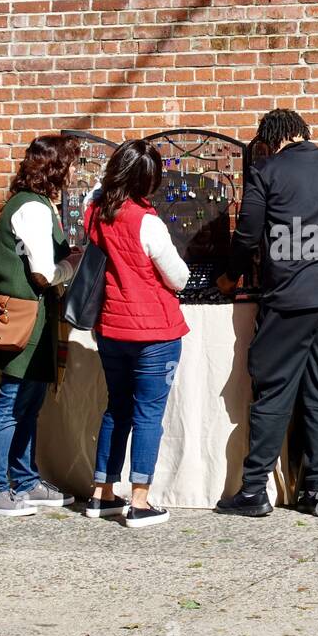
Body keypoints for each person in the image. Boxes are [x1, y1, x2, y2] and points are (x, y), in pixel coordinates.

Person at [215, 108, 318, 517]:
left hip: (289, 297)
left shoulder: (266, 172)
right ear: (304, 133)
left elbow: (248, 234)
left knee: (275, 388)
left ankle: (254, 491)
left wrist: (230, 275)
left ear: (270, 141)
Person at [80, 140, 190, 527]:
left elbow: (97, 195)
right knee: (148, 413)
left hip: (110, 327)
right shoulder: (148, 222)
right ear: (148, 180)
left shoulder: (93, 213)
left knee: (117, 407)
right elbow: (177, 276)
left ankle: (101, 492)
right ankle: (140, 501)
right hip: (154, 331)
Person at [0, 135, 82, 516]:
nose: (73, 172)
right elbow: (42, 274)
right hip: (25, 319)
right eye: (70, 164)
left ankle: (25, 480)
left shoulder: (31, 204)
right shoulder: (33, 209)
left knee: (27, 403)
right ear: (55, 168)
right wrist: (73, 263)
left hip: (33, 318)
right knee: (12, 403)